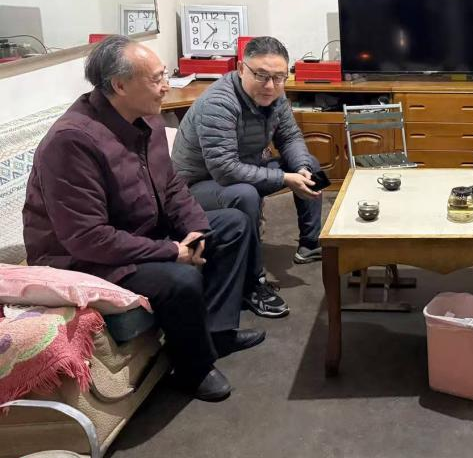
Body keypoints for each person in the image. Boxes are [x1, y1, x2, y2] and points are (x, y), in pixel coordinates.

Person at [23, 37, 264, 402]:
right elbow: (87, 238)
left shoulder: (146, 117)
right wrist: (171, 251)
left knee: (232, 225)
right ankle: (193, 368)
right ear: (119, 86)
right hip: (83, 259)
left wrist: (195, 230)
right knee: (180, 279)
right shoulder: (71, 141)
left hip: (138, 232)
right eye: (156, 79)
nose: (166, 86)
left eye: (164, 75)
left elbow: (171, 186)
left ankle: (218, 333)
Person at [172, 36, 327, 319]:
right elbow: (225, 169)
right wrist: (284, 179)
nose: (270, 86)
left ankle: (310, 244)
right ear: (241, 68)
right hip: (198, 185)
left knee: (310, 165)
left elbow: (290, 137)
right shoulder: (219, 103)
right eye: (261, 76)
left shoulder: (276, 96)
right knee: (245, 194)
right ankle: (253, 282)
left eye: (279, 77)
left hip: (245, 168)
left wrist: (301, 168)